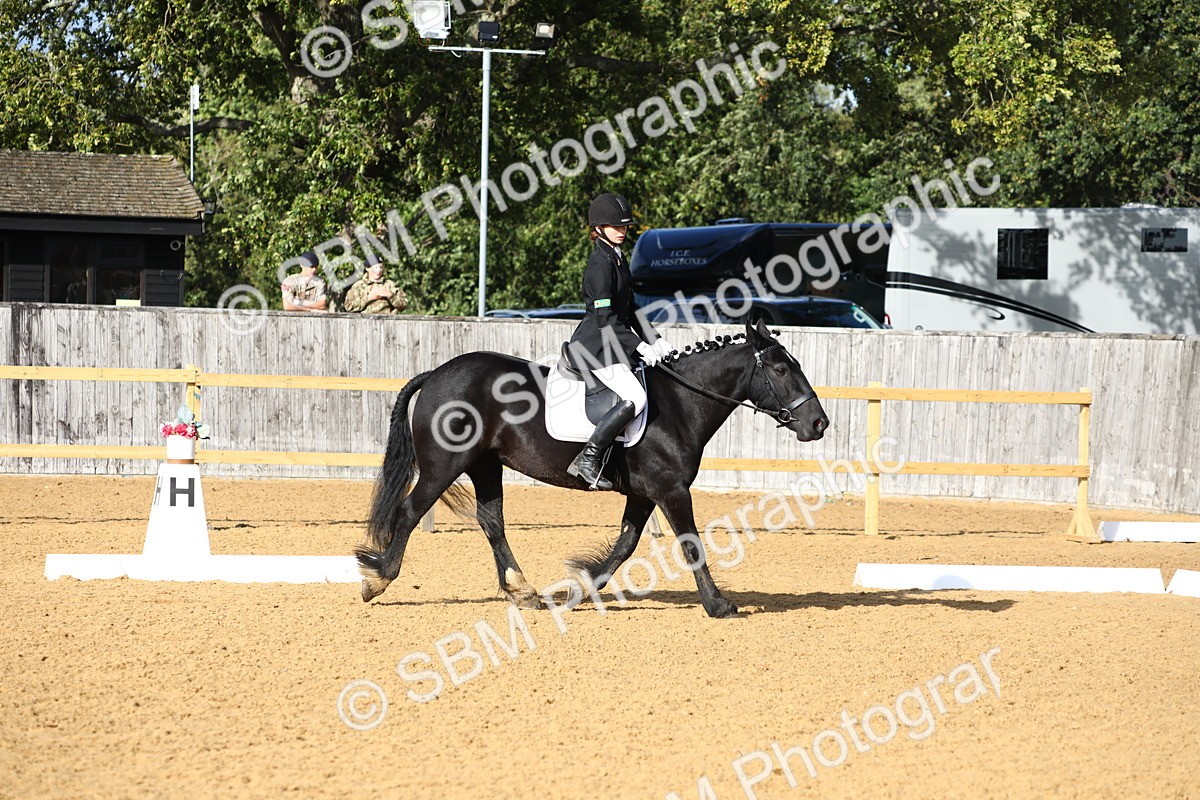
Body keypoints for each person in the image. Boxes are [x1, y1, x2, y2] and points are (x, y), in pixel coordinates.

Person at [563, 192, 675, 490]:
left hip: (614, 343)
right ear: (598, 228)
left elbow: (630, 306)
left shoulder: (617, 257)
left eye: (625, 226)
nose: (622, 230)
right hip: (595, 346)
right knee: (636, 398)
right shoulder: (600, 264)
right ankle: (588, 459)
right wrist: (639, 346)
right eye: (616, 226)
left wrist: (655, 339)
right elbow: (605, 318)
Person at [342, 252, 408, 314]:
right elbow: (348, 307)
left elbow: (404, 305)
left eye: (381, 267)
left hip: (387, 321)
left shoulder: (390, 284)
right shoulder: (358, 286)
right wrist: (368, 298)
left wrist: (391, 295)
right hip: (364, 321)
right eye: (376, 267)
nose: (379, 270)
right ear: (367, 268)